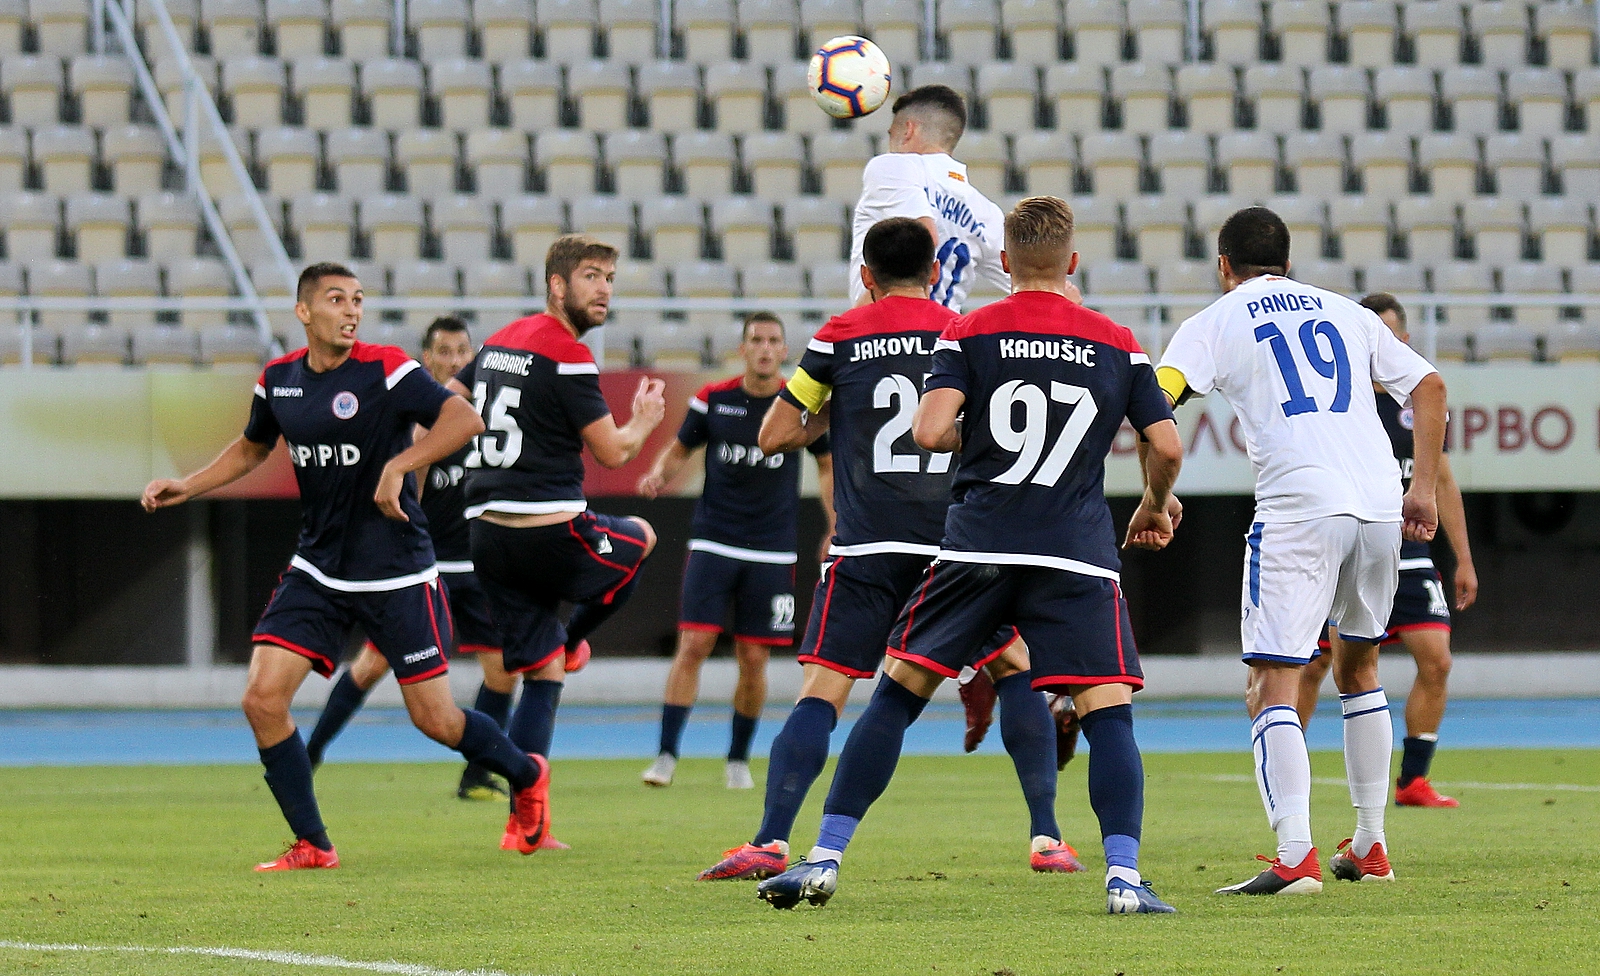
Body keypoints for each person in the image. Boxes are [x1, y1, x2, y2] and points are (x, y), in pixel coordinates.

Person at [755, 197, 1184, 915]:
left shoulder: (971, 327)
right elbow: (1165, 445)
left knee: (896, 694)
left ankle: (823, 858)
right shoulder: (1117, 340)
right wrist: (1153, 503)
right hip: (1074, 553)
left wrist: (978, 436)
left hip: (977, 545)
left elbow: (928, 431)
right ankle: (1123, 878)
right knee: (1107, 713)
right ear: (1073, 262)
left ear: (1005, 263)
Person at [700, 216, 1087, 885]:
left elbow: (772, 436)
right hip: (955, 549)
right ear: (935, 272)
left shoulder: (840, 334)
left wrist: (837, 411)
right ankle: (1047, 837)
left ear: (866, 276)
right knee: (1014, 667)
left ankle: (769, 841)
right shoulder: (963, 328)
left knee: (822, 693)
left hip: (866, 547)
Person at [141, 263, 551, 870]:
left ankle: (526, 774)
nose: (352, 310)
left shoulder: (387, 368)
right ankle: (314, 843)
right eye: (337, 299)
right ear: (304, 311)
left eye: (358, 299)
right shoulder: (278, 381)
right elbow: (253, 446)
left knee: (437, 721)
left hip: (399, 573)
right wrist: (189, 484)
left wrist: (397, 466)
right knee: (261, 700)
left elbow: (465, 419)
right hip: (319, 569)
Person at [1155, 208, 1448, 895]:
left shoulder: (1216, 320)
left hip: (1300, 508)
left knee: (1271, 683)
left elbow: (1160, 400)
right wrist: (1423, 490)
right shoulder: (1349, 313)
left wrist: (1155, 494)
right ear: (1288, 262)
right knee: (1360, 668)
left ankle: (1295, 856)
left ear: (1223, 266)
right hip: (1379, 505)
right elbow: (1431, 386)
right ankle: (1370, 845)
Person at [450, 234, 667, 850]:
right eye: (591, 276)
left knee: (541, 675)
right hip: (549, 528)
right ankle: (574, 641)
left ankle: (525, 824)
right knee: (643, 537)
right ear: (557, 284)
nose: (604, 290)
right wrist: (645, 421)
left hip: (487, 532)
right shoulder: (567, 354)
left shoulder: (498, 341)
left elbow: (454, 398)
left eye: (609, 279)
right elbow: (613, 452)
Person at [302, 316, 525, 802]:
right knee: (370, 666)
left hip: (478, 568)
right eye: (444, 352)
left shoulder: (488, 414)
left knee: (503, 671)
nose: (455, 360)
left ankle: (475, 777)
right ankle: (310, 753)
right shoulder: (425, 421)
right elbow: (410, 497)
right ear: (427, 358)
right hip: (426, 570)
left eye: (462, 351)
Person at [636, 312, 835, 790]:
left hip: (772, 549)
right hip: (714, 541)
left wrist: (834, 524)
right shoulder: (714, 399)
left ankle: (738, 760)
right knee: (693, 646)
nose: (765, 348)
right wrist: (659, 473)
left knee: (754, 658)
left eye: (773, 340)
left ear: (784, 350)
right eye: (756, 340)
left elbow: (827, 465)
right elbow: (680, 449)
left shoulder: (799, 404)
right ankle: (665, 755)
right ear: (743, 349)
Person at [1296, 293, 1479, 807]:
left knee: (1437, 661)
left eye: (1392, 335)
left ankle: (1413, 781)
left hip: (1410, 553)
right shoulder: (1333, 401)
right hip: (1348, 549)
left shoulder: (1418, 403)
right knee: (1314, 666)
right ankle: (1291, 768)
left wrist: (1463, 558)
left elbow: (1443, 481)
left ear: (1404, 340)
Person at [847, 84, 1011, 311]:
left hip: (888, 324)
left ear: (908, 130)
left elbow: (920, 239)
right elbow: (1032, 280)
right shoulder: (986, 211)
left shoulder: (891, 167)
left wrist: (858, 319)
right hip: (946, 329)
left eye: (891, 134)